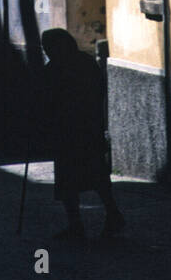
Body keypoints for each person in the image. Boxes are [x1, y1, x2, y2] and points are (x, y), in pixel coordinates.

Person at [40, 28, 125, 240]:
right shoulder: (85, 64)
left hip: (72, 131)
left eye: (49, 47)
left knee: (72, 178)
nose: (47, 51)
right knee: (94, 176)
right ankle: (107, 216)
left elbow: (48, 99)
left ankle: (80, 224)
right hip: (86, 129)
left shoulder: (57, 68)